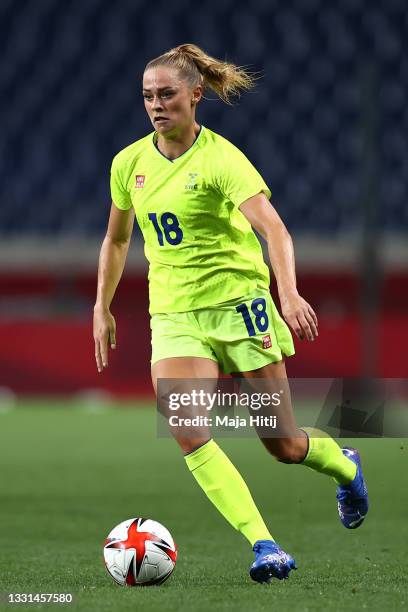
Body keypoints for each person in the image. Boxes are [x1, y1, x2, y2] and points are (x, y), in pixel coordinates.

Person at [93, 43, 368, 584]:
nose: (156, 105)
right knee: (189, 429)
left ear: (196, 95)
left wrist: (286, 294)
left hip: (241, 311)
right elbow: (117, 237)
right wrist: (101, 305)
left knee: (283, 444)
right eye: (148, 96)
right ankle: (265, 545)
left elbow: (274, 229)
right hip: (175, 316)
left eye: (167, 94)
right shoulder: (129, 164)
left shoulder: (222, 159)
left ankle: (345, 466)